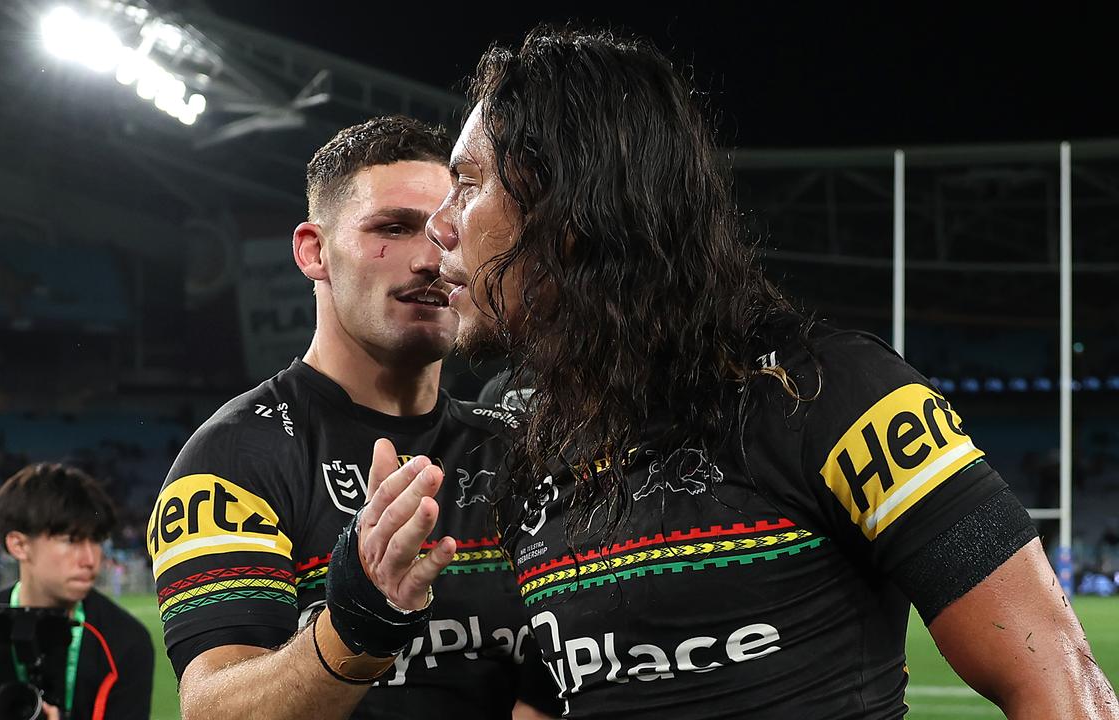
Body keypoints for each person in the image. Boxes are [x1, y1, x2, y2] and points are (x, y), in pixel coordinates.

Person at [423, 26, 1119, 719]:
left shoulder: (835, 393)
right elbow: (550, 697)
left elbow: (1060, 686)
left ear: (567, 205)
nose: (440, 224)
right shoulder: (519, 425)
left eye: (466, 184)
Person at [151, 115, 558, 720]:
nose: (430, 259)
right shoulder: (233, 459)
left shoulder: (520, 449)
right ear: (313, 251)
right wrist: (358, 624)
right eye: (392, 228)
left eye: (448, 231)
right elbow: (213, 709)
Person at [0, 463, 154, 720]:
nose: (90, 559)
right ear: (19, 545)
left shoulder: (127, 641)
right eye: (71, 540)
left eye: (96, 540)